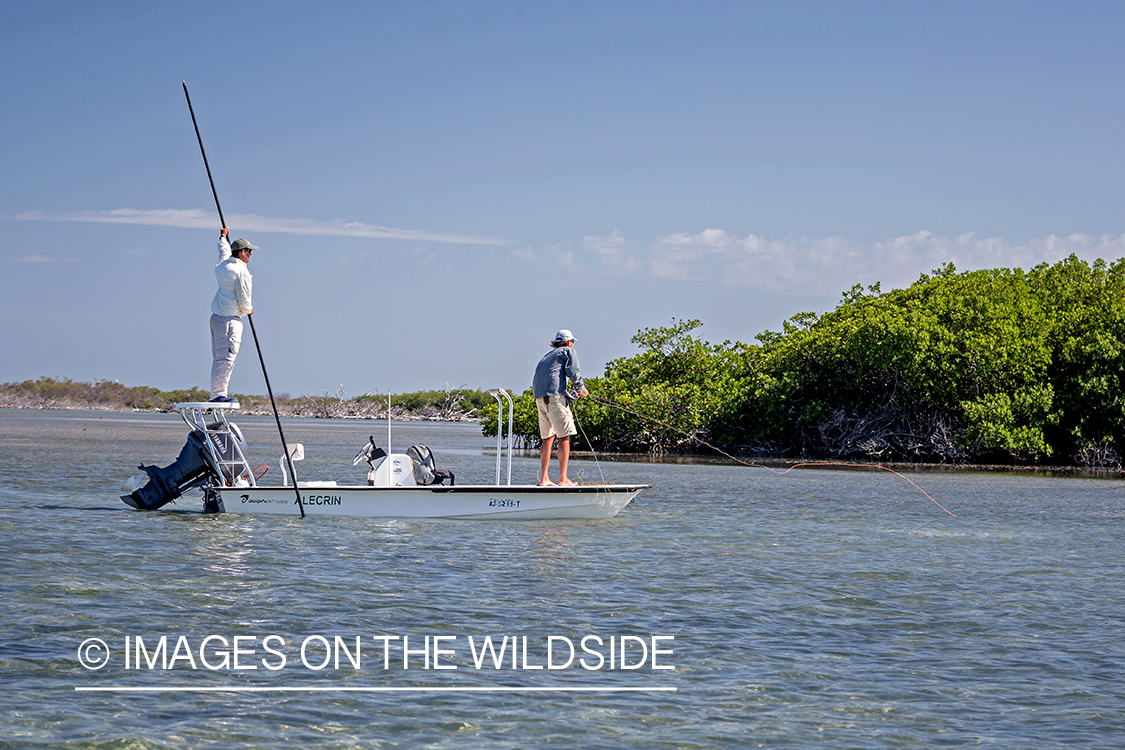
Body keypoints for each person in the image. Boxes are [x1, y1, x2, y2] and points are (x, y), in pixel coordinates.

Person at [532, 329, 589, 486]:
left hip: (540, 398)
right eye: (573, 342)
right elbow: (573, 372)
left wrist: (570, 395)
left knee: (548, 438)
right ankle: (563, 479)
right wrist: (581, 390)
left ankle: (544, 479)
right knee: (564, 437)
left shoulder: (547, 355)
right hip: (554, 398)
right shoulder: (569, 351)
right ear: (570, 342)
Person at [209, 226, 257, 402]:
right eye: (249, 252)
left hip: (216, 319)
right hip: (230, 321)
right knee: (226, 359)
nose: (250, 255)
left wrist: (223, 238)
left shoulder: (222, 266)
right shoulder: (241, 271)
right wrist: (247, 310)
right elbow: (243, 295)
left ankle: (217, 394)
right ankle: (218, 395)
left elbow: (223, 251)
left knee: (219, 358)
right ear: (242, 252)